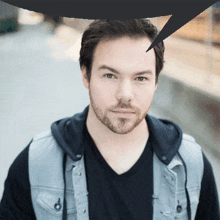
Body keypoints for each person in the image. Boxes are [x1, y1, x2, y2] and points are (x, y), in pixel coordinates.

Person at [0, 19, 219, 220]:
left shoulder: (191, 165)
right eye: (110, 75)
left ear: (156, 82)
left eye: (141, 78)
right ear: (85, 75)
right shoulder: (36, 164)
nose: (125, 94)